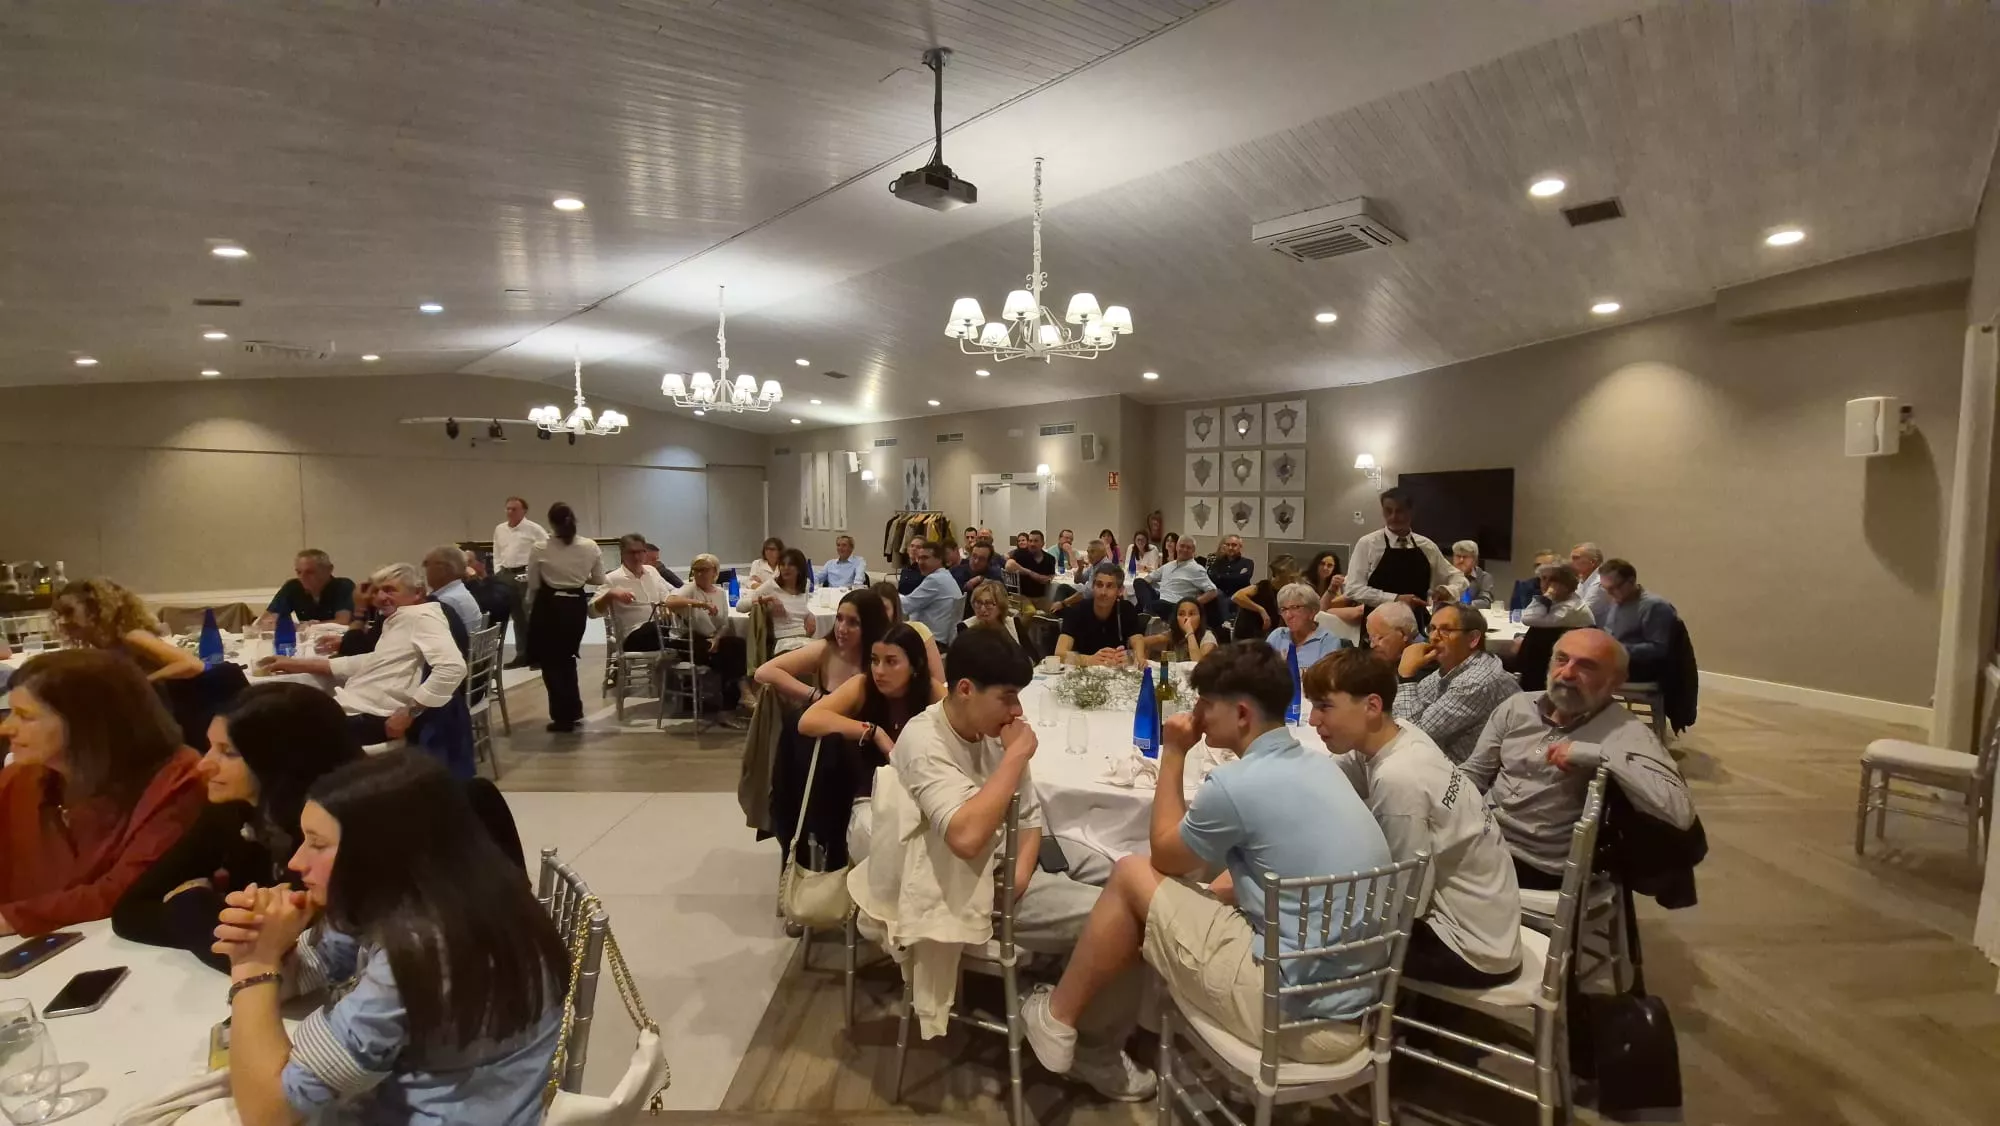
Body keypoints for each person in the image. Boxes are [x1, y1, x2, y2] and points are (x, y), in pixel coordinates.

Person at [1019, 642, 1391, 1078]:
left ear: (1242, 715)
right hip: (1359, 1004)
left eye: (1206, 704)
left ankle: (1060, 1017)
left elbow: (1164, 854)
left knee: (1130, 873)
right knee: (1180, 888)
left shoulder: (1237, 783)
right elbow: (1276, 873)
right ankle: (1102, 1031)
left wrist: (1173, 750)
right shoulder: (1320, 767)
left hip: (1291, 1016)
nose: (1197, 713)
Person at [855, 630, 1155, 1100]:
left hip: (1011, 861)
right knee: (1131, 919)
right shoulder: (923, 739)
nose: (1017, 712)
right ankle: (1091, 1050)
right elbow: (965, 836)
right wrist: (1015, 757)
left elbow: (1031, 817)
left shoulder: (991, 729)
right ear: (966, 689)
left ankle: (1061, 1003)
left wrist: (1020, 875)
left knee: (1131, 876)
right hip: (965, 881)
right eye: (1008, 698)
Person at [211, 751, 565, 1125]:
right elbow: (314, 969)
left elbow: (268, 1112)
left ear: (378, 851)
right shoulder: (448, 890)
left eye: (316, 843)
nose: (297, 862)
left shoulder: (421, 947)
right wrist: (270, 937)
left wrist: (254, 964)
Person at [1304, 649, 1523, 988]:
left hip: (1468, 949)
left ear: (1372, 706)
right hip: (1494, 923)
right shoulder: (1401, 732)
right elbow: (1329, 780)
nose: (1313, 720)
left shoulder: (1399, 778)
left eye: (1325, 706)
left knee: (1301, 924)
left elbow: (1405, 905)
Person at [112, 683, 363, 971]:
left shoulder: (329, 834)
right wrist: (225, 926)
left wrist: (190, 901)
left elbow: (267, 956)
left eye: (227, 753)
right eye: (210, 747)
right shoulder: (233, 809)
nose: (204, 765)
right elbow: (129, 912)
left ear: (279, 760)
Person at [1463, 629, 1695, 889]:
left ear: (1616, 680)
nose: (1568, 673)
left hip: (1536, 864)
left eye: (1587, 666)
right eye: (1562, 659)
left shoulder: (1626, 732)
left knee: (1421, 886)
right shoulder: (1518, 706)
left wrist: (1595, 755)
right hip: (1480, 836)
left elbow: (1680, 812)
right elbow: (1475, 772)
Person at [0, 649, 205, 937]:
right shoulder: (19, 779)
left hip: (125, 954)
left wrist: (12, 919)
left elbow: (123, 890)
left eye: (25, 716)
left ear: (87, 722)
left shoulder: (176, 780)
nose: (6, 728)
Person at [265, 563, 467, 746]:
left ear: (417, 593)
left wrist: (409, 713)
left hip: (371, 716)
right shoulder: (401, 618)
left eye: (390, 590)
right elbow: (372, 661)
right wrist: (297, 664)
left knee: (275, 729)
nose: (379, 597)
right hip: (357, 708)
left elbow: (452, 668)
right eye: (377, 590)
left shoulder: (421, 616)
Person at [798, 623, 945, 864]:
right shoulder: (862, 686)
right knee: (876, 838)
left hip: (920, 794)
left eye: (891, 662)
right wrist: (874, 732)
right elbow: (808, 720)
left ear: (916, 666)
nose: (879, 670)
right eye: (875, 660)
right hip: (868, 796)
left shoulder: (930, 692)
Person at [1390, 604, 1520, 764]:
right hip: (1442, 757)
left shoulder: (1475, 681)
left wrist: (1406, 676)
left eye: (1445, 630)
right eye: (1432, 628)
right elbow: (1412, 707)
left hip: (1468, 776)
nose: (1434, 637)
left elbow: (1414, 734)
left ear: (1473, 639)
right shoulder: (1453, 665)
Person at [524, 502, 604, 732]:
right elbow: (598, 579)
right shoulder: (590, 546)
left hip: (549, 607)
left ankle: (562, 716)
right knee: (568, 659)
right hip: (575, 606)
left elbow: (533, 584)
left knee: (551, 664)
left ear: (551, 523)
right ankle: (573, 710)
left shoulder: (540, 547)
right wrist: (578, 579)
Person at [51, 577, 205, 681]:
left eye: (69, 612)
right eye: (59, 614)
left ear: (93, 609)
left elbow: (192, 665)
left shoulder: (132, 636)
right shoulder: (102, 643)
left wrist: (142, 684)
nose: (62, 621)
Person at [755, 588, 882, 707]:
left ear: (870, 626)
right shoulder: (825, 649)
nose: (842, 629)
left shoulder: (881, 659)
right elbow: (763, 672)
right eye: (839, 618)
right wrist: (814, 695)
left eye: (853, 622)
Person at [1343, 488, 1455, 613]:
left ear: (1411, 511)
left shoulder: (1427, 546)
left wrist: (1448, 590)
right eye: (1388, 511)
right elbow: (1353, 588)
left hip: (1417, 621)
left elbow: (1455, 577)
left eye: (1400, 511)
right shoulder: (1368, 544)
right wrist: (1395, 599)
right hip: (1378, 623)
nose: (1393, 516)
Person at [665, 554, 750, 718]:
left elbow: (724, 624)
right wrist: (700, 604)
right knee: (728, 656)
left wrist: (717, 638)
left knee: (737, 644)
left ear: (715, 573)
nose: (700, 574)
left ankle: (731, 699)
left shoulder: (719, 593)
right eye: (696, 570)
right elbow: (670, 602)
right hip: (685, 641)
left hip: (707, 639)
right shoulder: (690, 589)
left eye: (705, 570)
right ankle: (736, 698)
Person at [590, 533, 678, 651]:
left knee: (693, 639)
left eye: (640, 552)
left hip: (659, 634)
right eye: (631, 552)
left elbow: (667, 597)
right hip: (632, 637)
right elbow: (591, 612)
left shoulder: (652, 571)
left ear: (645, 552)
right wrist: (610, 595)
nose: (636, 557)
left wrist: (669, 608)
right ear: (622, 553)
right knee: (657, 626)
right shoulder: (612, 578)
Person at [1596, 558, 1678, 681]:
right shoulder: (1617, 601)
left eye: (1614, 588)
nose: (1610, 593)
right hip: (1617, 662)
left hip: (1641, 668)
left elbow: (1659, 648)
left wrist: (1618, 650)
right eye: (1605, 588)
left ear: (1631, 581)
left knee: (1582, 674)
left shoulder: (1654, 606)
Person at [493, 497, 548, 667]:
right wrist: (498, 570)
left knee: (532, 616)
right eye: (508, 508)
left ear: (524, 511)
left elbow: (547, 549)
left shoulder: (534, 529)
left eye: (514, 509)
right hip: (507, 575)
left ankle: (538, 655)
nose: (510, 512)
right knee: (517, 617)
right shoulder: (500, 529)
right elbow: (497, 551)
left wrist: (536, 571)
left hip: (526, 575)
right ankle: (522, 654)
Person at [1056, 563, 1144, 667]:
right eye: (1099, 585)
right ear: (1093, 587)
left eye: (1110, 586)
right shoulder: (1076, 610)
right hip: (1082, 672)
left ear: (1120, 591)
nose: (1103, 592)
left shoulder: (1126, 609)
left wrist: (1131, 657)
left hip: (1117, 672)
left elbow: (1138, 643)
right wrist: (1089, 660)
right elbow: (1059, 654)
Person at [870, 580, 947, 685]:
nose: (879, 615)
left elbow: (939, 681)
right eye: (873, 610)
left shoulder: (919, 631)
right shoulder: (864, 638)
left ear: (895, 609)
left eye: (884, 609)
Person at [261, 549, 357, 630]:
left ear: (329, 569)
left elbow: (342, 622)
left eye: (310, 572)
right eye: (299, 572)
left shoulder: (343, 586)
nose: (302, 577)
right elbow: (266, 621)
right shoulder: (292, 587)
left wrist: (306, 626)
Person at [749, 548, 820, 655]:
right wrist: (769, 599)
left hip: (803, 638)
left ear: (799, 568)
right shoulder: (771, 586)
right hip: (782, 642)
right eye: (782, 564)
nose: (785, 568)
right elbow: (740, 606)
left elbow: (799, 606)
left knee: (826, 651)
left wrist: (809, 613)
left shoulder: (805, 584)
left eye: (790, 565)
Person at [899, 539, 966, 647]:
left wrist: (885, 597)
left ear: (939, 559)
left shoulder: (935, 580)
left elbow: (906, 606)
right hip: (938, 641)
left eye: (925, 558)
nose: (920, 562)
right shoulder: (945, 576)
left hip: (931, 643)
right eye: (919, 558)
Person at [1267, 581, 1344, 671]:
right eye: (1284, 609)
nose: (1288, 615)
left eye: (1295, 607)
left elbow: (1326, 681)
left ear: (1312, 611)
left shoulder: (1327, 641)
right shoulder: (1277, 636)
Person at [1146, 534, 1218, 620]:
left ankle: (1148, 610)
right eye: (1182, 546)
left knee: (1155, 605)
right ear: (1176, 547)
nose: (1184, 549)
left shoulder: (1196, 569)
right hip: (1161, 599)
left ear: (1193, 550)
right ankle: (1147, 609)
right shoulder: (1168, 566)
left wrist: (1193, 603)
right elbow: (1148, 578)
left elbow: (1213, 592)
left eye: (1188, 547)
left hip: (1176, 605)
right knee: (1138, 582)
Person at [1231, 553, 1299, 640]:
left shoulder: (1288, 592)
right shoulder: (1263, 586)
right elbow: (1237, 597)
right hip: (1250, 633)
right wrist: (1261, 610)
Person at [1365, 602, 1431, 686]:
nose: (1372, 645)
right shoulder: (1388, 660)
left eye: (1379, 638)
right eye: (1371, 639)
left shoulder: (1428, 661)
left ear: (1403, 634)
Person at [421, 544, 483, 633]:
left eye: (426, 564)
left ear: (443, 569)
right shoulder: (459, 591)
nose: (424, 569)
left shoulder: (446, 601)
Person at [1521, 562, 1595, 628]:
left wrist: (1547, 595)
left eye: (1553, 580)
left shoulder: (1572, 608)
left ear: (1566, 583)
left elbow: (1528, 619)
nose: (1545, 583)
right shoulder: (1557, 599)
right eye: (1543, 578)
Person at [1142, 598, 1217, 663]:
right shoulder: (1172, 634)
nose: (1186, 618)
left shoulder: (1208, 637)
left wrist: (1190, 633)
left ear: (1200, 617)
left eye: (1191, 614)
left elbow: (1198, 665)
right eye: (1181, 614)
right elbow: (1140, 641)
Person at [1205, 534, 1255, 632]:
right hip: (1221, 593)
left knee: (1231, 598)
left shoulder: (1247, 563)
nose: (1230, 547)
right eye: (1228, 545)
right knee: (1218, 593)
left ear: (1240, 547)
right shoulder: (1218, 562)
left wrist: (1221, 577)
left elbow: (1244, 579)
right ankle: (1226, 623)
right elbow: (1212, 578)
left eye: (1234, 545)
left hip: (1239, 594)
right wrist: (1234, 576)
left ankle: (1228, 625)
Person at [964, 581, 1025, 646]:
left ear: (1001, 606)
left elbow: (1030, 654)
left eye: (988, 603)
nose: (982, 609)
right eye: (978, 602)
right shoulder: (966, 627)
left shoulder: (1014, 623)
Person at [462, 554, 515, 629]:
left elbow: (495, 607)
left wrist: (473, 580)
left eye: (469, 562)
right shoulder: (460, 585)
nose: (466, 566)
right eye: (463, 563)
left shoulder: (499, 585)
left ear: (481, 564)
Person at [1006, 529, 1058, 601]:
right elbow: (1009, 565)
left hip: (1040, 598)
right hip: (1021, 597)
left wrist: (1043, 579)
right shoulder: (1021, 554)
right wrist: (1030, 573)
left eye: (1036, 541)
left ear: (1043, 543)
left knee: (1054, 610)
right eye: (1030, 541)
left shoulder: (1050, 559)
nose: (1032, 544)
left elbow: (1049, 578)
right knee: (1031, 611)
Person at [1446, 541, 1495, 609]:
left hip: (1472, 617)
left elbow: (1485, 602)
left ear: (1475, 560)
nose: (1461, 560)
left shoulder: (1484, 577)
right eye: (1458, 556)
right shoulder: (1446, 575)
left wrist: (1463, 606)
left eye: (1465, 557)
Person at [1571, 542, 1610, 622]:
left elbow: (1582, 614)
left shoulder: (1600, 582)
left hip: (1598, 632)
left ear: (1592, 562)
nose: (1571, 562)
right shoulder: (1581, 580)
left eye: (1576, 558)